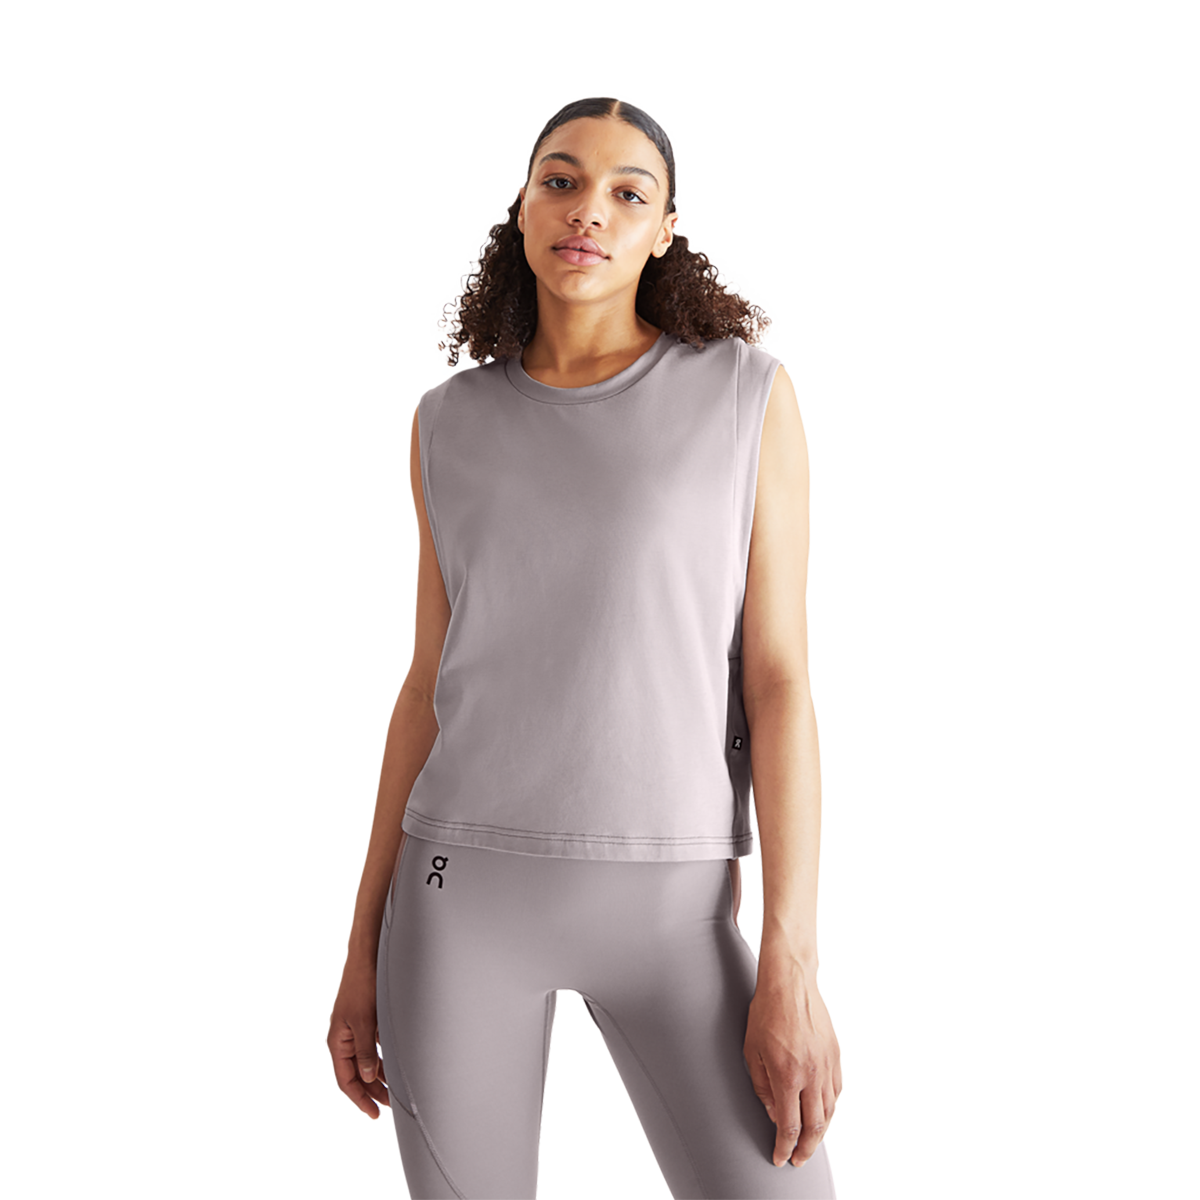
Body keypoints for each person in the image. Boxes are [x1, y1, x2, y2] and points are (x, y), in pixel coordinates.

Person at [326, 94, 843, 1199]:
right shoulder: (449, 420)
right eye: (560, 181)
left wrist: (792, 959)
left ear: (664, 231)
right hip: (459, 903)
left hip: (678, 916)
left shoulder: (744, 393)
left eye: (627, 192)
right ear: (521, 207)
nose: (588, 210)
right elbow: (425, 687)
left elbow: (780, 679)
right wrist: (358, 948)